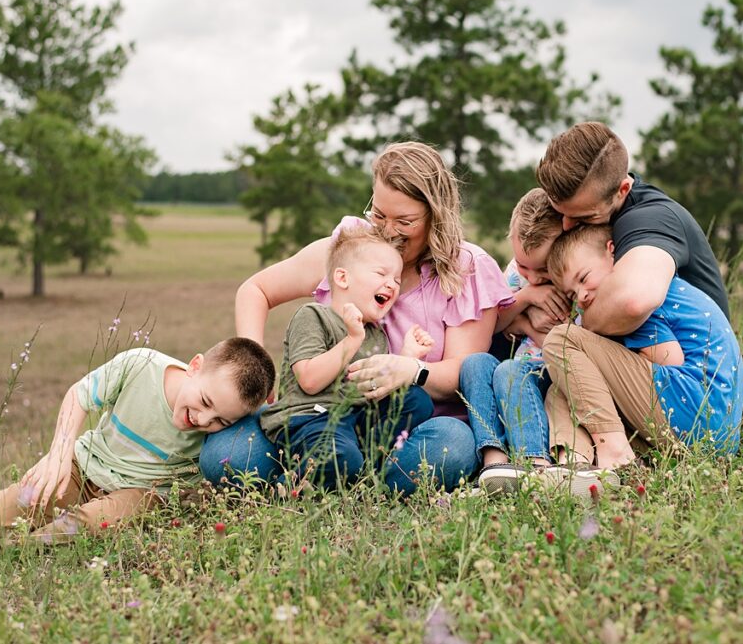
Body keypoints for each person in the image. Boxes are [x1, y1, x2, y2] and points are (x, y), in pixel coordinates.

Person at [200, 141, 515, 496]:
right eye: (379, 214)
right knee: (225, 455)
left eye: (405, 221)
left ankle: (338, 481)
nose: (388, 231)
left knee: (453, 446)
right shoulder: (352, 250)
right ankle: (332, 473)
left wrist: (409, 370)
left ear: (435, 216)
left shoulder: (466, 268)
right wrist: (256, 373)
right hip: (318, 417)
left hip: (407, 427)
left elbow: (466, 371)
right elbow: (255, 291)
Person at [0, 338, 276, 572]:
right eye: (205, 401)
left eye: (219, 420)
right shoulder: (141, 364)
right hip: (80, 467)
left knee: (90, 524)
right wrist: (58, 454)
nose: (201, 419)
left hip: (139, 493)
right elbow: (78, 394)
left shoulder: (219, 431)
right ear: (194, 367)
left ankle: (3, 556)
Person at [543, 225, 743, 470]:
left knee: (561, 342)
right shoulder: (656, 280)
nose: (582, 295)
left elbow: (669, 360)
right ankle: (575, 465)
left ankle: (616, 454)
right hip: (709, 435)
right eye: (572, 295)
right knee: (561, 387)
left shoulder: (633, 294)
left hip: (693, 414)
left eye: (584, 278)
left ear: (611, 252)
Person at [262, 225, 435, 490]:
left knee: (417, 401)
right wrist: (351, 340)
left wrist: (406, 357)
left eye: (397, 279)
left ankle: (362, 466)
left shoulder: (375, 334)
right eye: (381, 273)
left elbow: (375, 389)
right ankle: (289, 486)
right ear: (342, 278)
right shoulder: (314, 316)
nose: (391, 283)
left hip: (354, 419)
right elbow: (308, 380)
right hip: (312, 418)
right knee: (341, 455)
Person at [459, 188, 606, 494]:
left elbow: (578, 338)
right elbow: (494, 323)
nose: (533, 276)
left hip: (552, 375)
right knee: (475, 364)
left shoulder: (574, 281)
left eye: (541, 270)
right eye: (523, 266)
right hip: (519, 364)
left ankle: (535, 463)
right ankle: (494, 459)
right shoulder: (519, 275)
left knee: (509, 371)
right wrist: (525, 300)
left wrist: (530, 328)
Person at [535, 121, 730, 340]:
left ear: (623, 190)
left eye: (585, 217)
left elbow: (632, 301)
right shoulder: (591, 204)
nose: (566, 226)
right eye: (560, 212)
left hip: (694, 363)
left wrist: (569, 330)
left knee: (560, 345)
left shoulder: (652, 219)